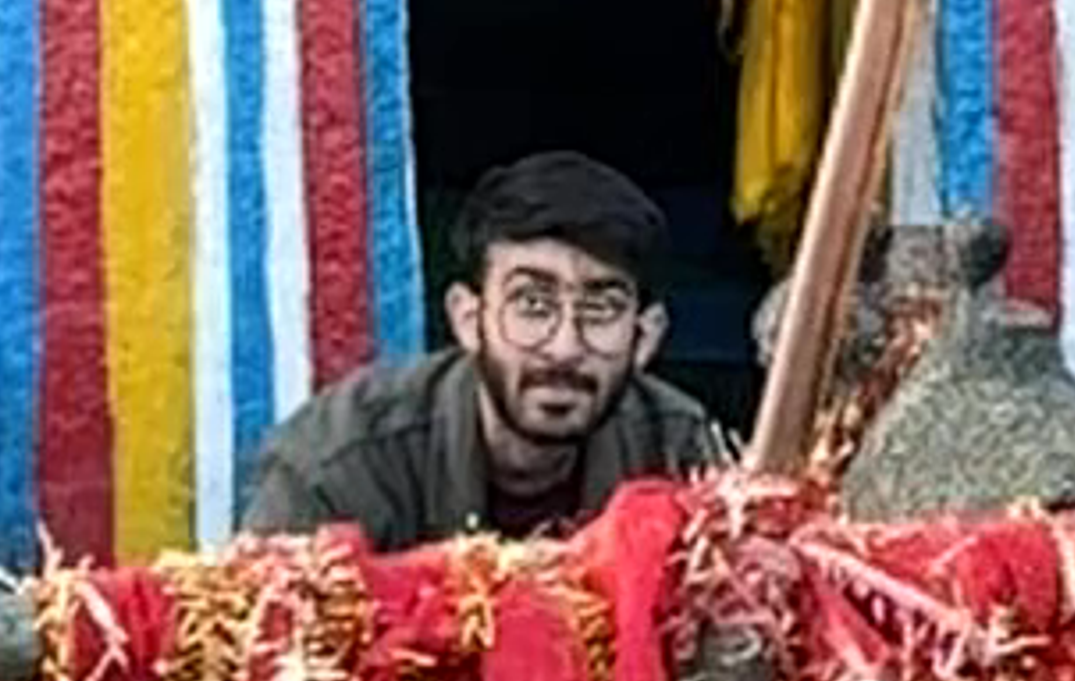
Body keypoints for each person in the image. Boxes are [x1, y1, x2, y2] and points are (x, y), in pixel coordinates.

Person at [240, 151, 731, 550]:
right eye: (532, 305)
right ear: (468, 319)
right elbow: (265, 649)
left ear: (645, 337)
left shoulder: (683, 456)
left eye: (600, 310)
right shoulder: (341, 462)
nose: (564, 348)